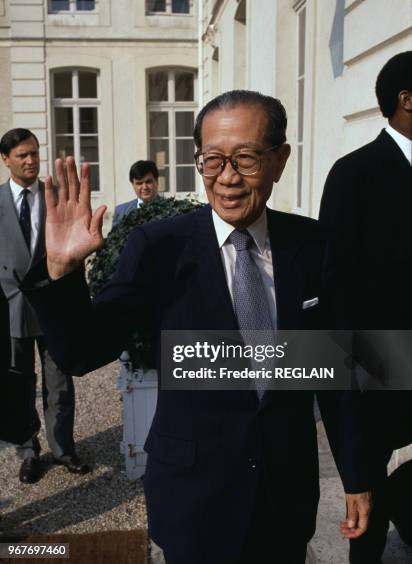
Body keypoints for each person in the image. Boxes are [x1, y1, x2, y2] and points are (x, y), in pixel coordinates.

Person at [22, 92, 370, 564]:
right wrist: (61, 274)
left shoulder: (311, 245)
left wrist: (357, 475)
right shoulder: (159, 245)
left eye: (245, 158)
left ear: (279, 160)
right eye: (213, 160)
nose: (227, 178)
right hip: (196, 498)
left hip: (284, 493)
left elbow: (335, 374)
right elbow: (83, 352)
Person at [319, 51, 412, 563]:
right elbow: (338, 291)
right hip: (378, 370)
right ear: (407, 100)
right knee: (368, 502)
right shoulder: (354, 174)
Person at [0, 128, 91, 483]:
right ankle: (27, 452)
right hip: (10, 308)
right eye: (22, 155)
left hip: (52, 306)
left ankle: (63, 449)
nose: (30, 160)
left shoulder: (55, 197)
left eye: (34, 153)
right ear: (6, 159)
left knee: (60, 382)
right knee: (18, 385)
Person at [112, 160, 159, 227]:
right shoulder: (121, 211)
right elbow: (114, 237)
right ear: (133, 185)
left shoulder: (172, 209)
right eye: (139, 183)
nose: (145, 187)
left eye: (148, 182)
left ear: (157, 182)